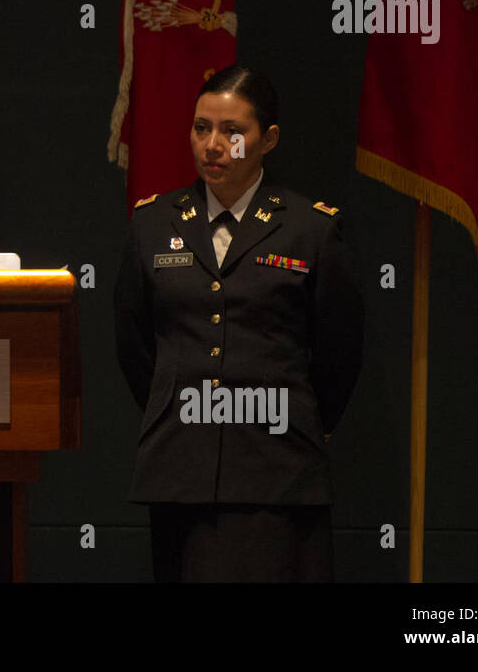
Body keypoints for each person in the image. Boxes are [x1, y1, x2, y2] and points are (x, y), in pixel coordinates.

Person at [113, 65, 363, 581]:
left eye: (233, 132)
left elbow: (339, 352)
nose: (213, 145)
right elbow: (135, 346)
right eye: (201, 128)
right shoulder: (153, 224)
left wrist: (290, 416)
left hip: (278, 468)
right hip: (181, 468)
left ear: (267, 139)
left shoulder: (310, 230)